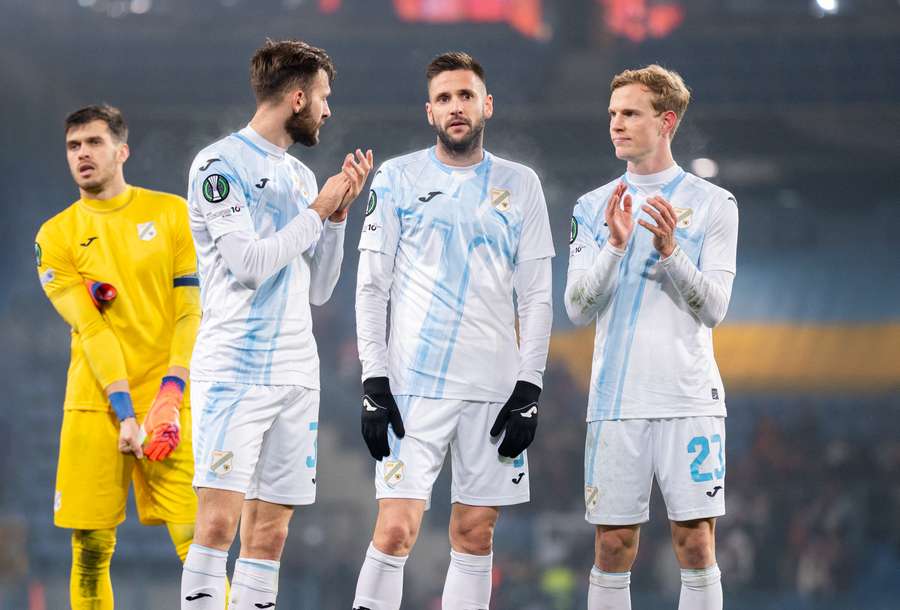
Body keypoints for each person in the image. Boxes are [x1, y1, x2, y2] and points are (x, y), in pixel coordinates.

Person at [352, 51, 554, 610]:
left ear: (486, 105)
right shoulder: (395, 178)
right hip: (413, 387)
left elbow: (536, 295)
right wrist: (374, 381)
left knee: (475, 534)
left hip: (493, 389)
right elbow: (372, 287)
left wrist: (529, 388)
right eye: (444, 98)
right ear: (429, 111)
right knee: (395, 529)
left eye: (465, 96)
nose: (455, 107)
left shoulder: (522, 184)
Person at [179, 39, 372, 610]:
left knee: (271, 534)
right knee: (217, 525)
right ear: (295, 97)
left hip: (295, 372)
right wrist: (317, 213)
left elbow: (318, 288)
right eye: (323, 97)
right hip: (234, 369)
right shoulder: (218, 165)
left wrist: (336, 220)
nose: (328, 110)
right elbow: (249, 265)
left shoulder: (301, 176)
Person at [565, 64, 739, 610]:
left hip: (688, 398)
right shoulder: (593, 207)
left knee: (695, 541)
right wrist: (615, 248)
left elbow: (715, 308)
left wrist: (671, 252)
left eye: (630, 113)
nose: (616, 123)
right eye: (613, 113)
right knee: (613, 545)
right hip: (616, 403)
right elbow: (576, 308)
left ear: (666, 121)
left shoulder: (715, 204)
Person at [35, 104, 200, 610]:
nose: (82, 154)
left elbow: (190, 311)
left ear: (122, 150)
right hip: (94, 404)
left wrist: (169, 397)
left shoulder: (172, 213)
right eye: (73, 146)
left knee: (200, 542)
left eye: (93, 142)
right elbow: (91, 328)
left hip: (168, 398)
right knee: (89, 549)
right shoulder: (55, 236)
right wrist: (126, 413)